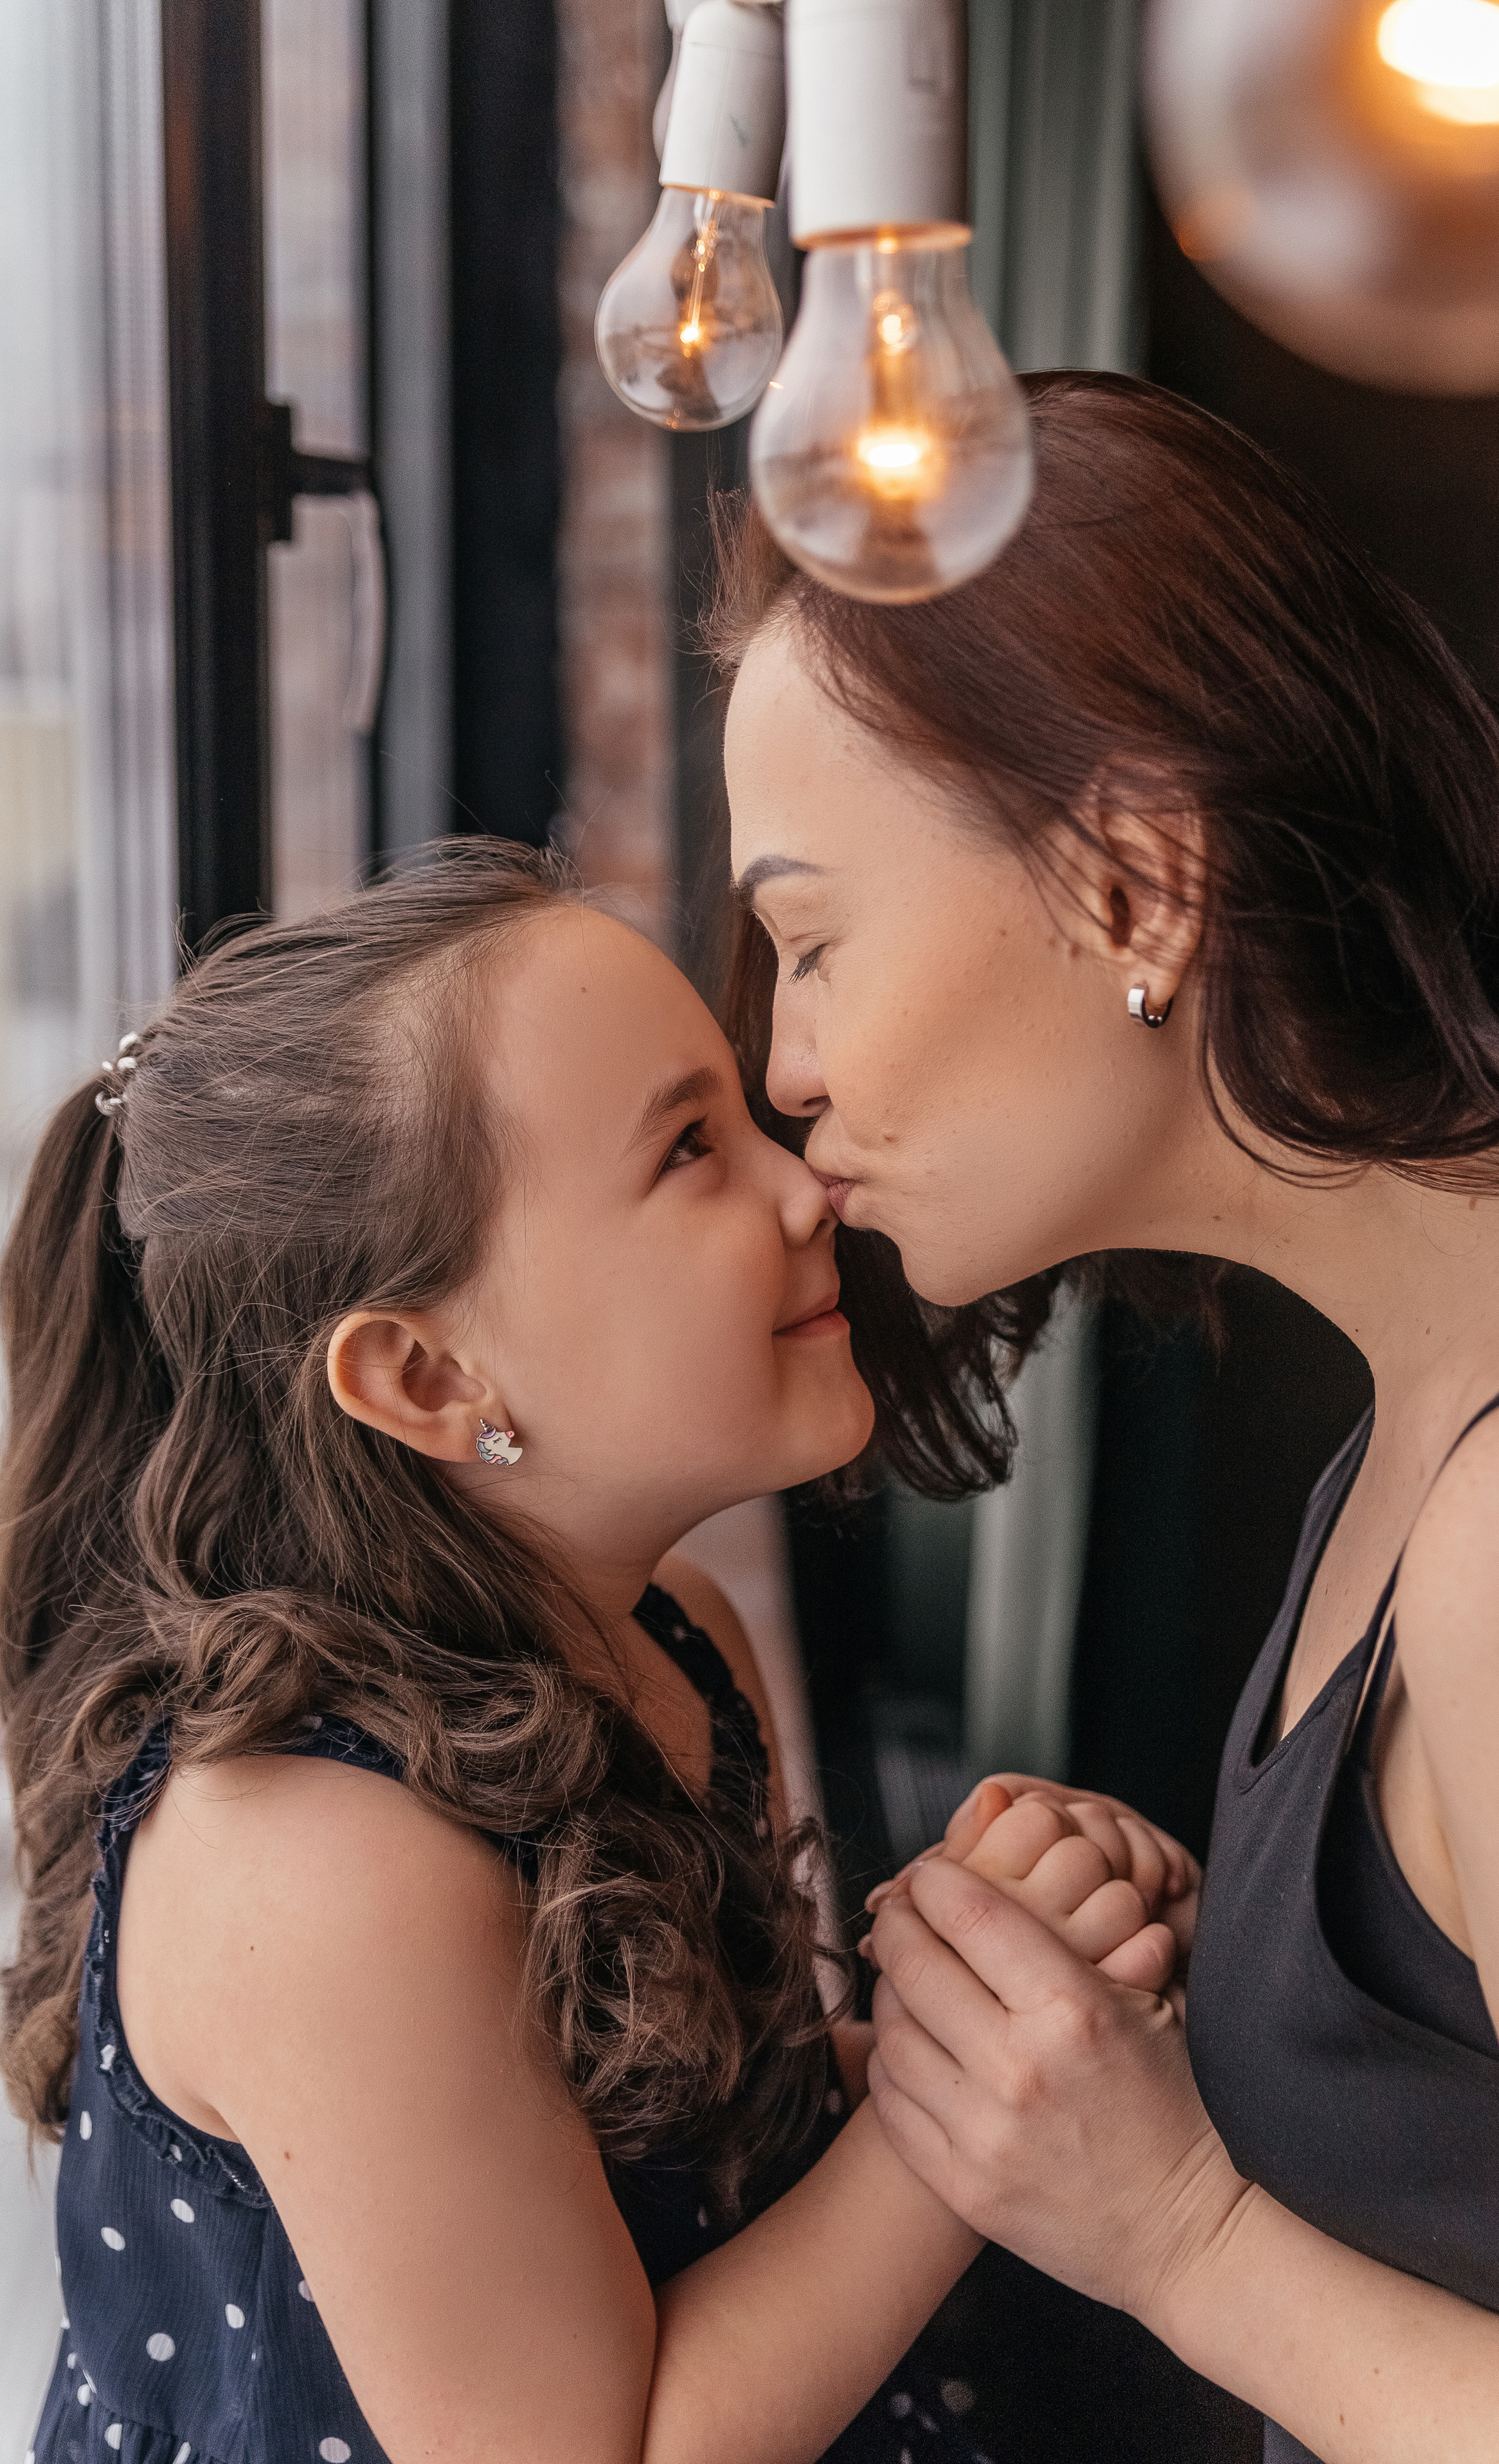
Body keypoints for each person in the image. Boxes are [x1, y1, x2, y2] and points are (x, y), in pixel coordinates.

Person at [717, 370, 1499, 2463]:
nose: (787, 1066)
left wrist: (1173, 2227)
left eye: (813, 941)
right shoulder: (1448, 1396)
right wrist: (1250, 1972)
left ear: (1136, 884)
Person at [0, 846, 1182, 2464]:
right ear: (425, 1378)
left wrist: (1010, 1981)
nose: (803, 1187)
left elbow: (706, 2172)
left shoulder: (672, 1642)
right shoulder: (317, 1853)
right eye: (689, 1150)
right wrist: (964, 2100)